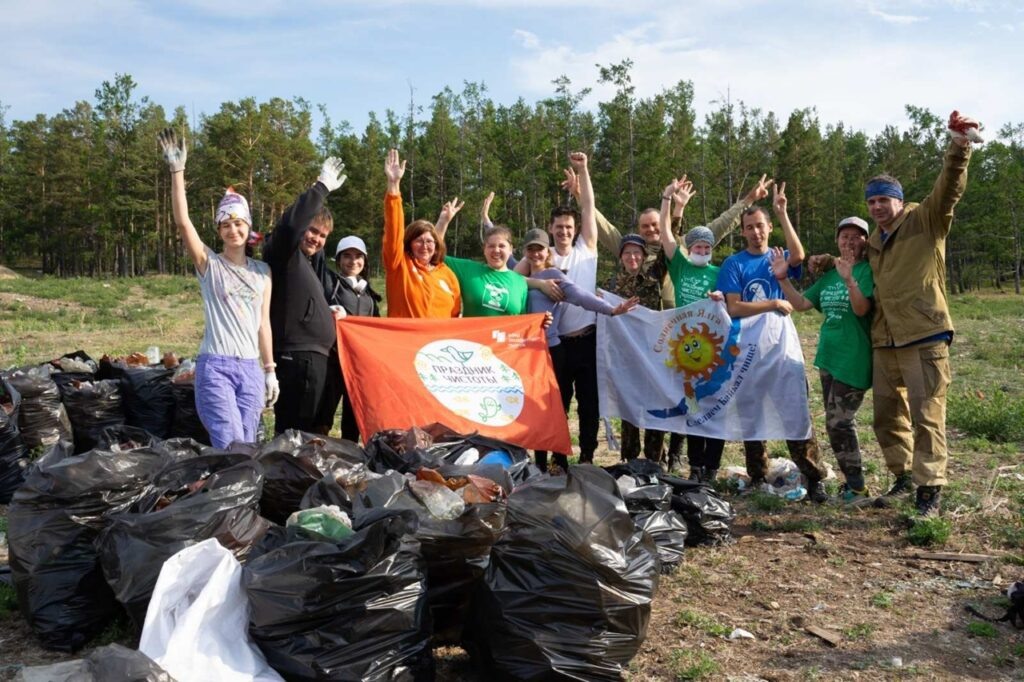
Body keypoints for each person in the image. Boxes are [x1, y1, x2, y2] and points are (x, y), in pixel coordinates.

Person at [812, 111, 977, 516]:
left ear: (899, 201)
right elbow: (848, 256)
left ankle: (929, 490)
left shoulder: (926, 220)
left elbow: (949, 187)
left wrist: (959, 147)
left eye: (883, 199)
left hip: (924, 333)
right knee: (887, 416)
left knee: (927, 415)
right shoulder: (876, 243)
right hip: (884, 339)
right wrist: (820, 260)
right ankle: (903, 477)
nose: (877, 207)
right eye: (871, 201)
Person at [158, 128, 277, 449]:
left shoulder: (262, 273)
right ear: (219, 230)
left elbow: (263, 324)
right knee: (229, 442)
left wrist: (270, 370)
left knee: (248, 445)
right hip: (217, 367)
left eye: (239, 223)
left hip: (251, 368)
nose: (233, 229)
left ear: (248, 226)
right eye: (226, 224)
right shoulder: (209, 264)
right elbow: (183, 222)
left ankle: (239, 499)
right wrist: (177, 171)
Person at [712, 180, 828, 502]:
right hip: (748, 352)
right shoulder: (734, 264)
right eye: (749, 228)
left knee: (795, 409)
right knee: (751, 413)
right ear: (743, 232)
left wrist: (782, 213)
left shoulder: (777, 257)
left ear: (767, 228)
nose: (755, 232)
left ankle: (814, 476)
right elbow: (734, 307)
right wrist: (773, 304)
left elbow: (800, 254)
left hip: (781, 350)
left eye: (760, 226)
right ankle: (757, 475)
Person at [772, 217, 875, 503]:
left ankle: (857, 488)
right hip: (829, 357)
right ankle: (852, 486)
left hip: (855, 358)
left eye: (856, 237)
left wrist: (850, 280)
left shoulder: (868, 272)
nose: (849, 241)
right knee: (835, 423)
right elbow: (802, 304)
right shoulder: (830, 275)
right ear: (837, 241)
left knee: (839, 423)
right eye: (844, 237)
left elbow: (862, 309)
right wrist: (782, 278)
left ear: (865, 241)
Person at [520, 228, 637, 470]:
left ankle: (584, 457)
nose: (535, 254)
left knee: (570, 404)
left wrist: (610, 309)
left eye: (540, 248)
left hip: (553, 350)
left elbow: (580, 296)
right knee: (544, 409)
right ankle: (543, 462)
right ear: (524, 252)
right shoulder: (519, 274)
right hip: (528, 354)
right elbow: (499, 271)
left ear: (547, 250)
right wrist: (487, 220)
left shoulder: (554, 275)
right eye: (530, 249)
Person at [262, 156, 348, 434]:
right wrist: (320, 187)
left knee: (310, 435)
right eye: (312, 230)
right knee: (292, 436)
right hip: (295, 358)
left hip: (315, 359)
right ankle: (285, 477)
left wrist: (328, 310)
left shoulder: (309, 265)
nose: (316, 238)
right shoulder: (284, 254)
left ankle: (302, 476)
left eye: (323, 235)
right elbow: (288, 227)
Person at [657, 180, 729, 481]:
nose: (702, 250)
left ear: (712, 250)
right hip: (685, 350)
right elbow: (664, 233)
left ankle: (712, 466)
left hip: (714, 350)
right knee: (692, 404)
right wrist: (667, 199)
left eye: (706, 246)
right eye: (697, 245)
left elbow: (733, 303)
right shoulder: (681, 266)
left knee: (716, 405)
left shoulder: (719, 272)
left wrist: (721, 298)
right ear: (689, 247)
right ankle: (695, 464)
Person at [603, 233, 668, 463]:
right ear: (621, 256)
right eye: (627, 252)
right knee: (629, 410)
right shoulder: (609, 286)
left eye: (637, 252)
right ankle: (629, 460)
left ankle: (655, 460)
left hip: (652, 356)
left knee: (655, 408)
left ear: (643, 256)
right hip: (623, 359)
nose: (632, 257)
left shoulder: (654, 279)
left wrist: (674, 210)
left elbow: (667, 251)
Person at [314, 235, 382, 441]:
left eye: (358, 256)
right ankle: (317, 455)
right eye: (347, 256)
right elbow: (317, 258)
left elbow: (377, 329)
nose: (353, 261)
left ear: (365, 260)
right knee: (324, 413)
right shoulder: (328, 282)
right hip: (333, 360)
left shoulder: (370, 294)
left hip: (358, 366)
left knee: (353, 415)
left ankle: (349, 455)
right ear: (338, 259)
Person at [382, 148, 461, 318]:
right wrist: (394, 186)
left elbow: (455, 317)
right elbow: (394, 231)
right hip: (405, 342)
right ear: (409, 242)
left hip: (438, 343)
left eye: (429, 242)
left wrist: (443, 222)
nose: (425, 246)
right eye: (418, 240)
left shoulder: (447, 274)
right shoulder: (399, 266)